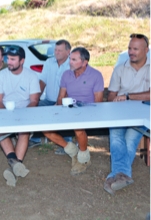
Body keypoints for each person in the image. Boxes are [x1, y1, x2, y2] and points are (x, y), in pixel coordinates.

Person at [43, 47, 104, 175]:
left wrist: (83, 112)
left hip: (88, 112)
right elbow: (61, 97)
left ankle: (83, 158)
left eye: (74, 60)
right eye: (70, 59)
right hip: (69, 110)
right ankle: (71, 150)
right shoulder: (66, 74)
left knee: (78, 127)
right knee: (45, 129)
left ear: (84, 62)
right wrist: (57, 112)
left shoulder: (96, 75)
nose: (70, 62)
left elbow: (98, 103)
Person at [104, 33, 150, 195]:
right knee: (116, 138)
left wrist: (129, 96)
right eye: (129, 48)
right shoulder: (120, 68)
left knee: (130, 140)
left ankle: (115, 175)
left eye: (135, 49)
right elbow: (111, 95)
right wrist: (114, 102)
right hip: (120, 112)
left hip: (142, 113)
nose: (131, 52)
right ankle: (123, 175)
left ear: (146, 50)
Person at [0, 46, 40, 186]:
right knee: (1, 130)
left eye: (13, 59)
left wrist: (22, 115)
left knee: (23, 131)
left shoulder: (31, 76)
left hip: (25, 112)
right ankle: (16, 164)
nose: (9, 62)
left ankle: (13, 167)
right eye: (8, 59)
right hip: (5, 111)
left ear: (22, 61)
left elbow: (34, 101)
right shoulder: (1, 76)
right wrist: (6, 113)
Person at [29, 39, 73, 153]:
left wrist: (59, 103)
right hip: (48, 99)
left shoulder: (72, 65)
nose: (56, 52)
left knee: (65, 113)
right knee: (34, 108)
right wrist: (36, 98)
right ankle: (36, 138)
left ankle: (66, 143)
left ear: (68, 52)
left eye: (60, 50)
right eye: (55, 50)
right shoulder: (49, 62)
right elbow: (42, 82)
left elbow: (71, 88)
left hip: (65, 101)